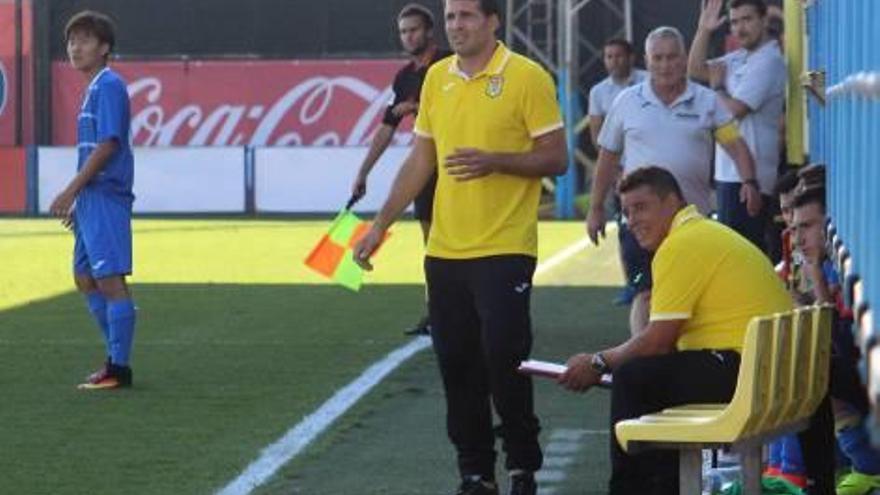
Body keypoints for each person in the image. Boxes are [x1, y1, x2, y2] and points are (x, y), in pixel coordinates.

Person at [353, 0, 567, 493]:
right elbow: (420, 161)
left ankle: (521, 465)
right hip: (445, 251)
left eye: (467, 16)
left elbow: (555, 157)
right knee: (457, 365)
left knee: (504, 357)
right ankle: (475, 472)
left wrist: (495, 160)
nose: (457, 25)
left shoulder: (526, 75)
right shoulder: (436, 79)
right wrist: (378, 226)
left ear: (493, 21)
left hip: (505, 245)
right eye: (450, 17)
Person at [560, 166, 794, 494]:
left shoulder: (681, 244)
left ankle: (631, 489)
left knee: (633, 377)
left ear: (672, 203)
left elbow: (658, 341)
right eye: (626, 212)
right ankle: (662, 485)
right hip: (769, 373)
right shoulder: (700, 233)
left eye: (641, 207)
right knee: (648, 375)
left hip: (749, 375)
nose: (632, 220)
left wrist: (598, 362)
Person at [585, 26, 761, 336]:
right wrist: (596, 207)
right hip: (641, 221)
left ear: (684, 59)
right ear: (647, 61)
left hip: (692, 223)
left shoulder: (707, 101)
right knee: (646, 293)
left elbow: (736, 145)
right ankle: (642, 366)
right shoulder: (627, 101)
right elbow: (608, 156)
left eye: (673, 57)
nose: (666, 65)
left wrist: (749, 181)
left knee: (694, 298)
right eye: (659, 58)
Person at [349, 4, 452, 336]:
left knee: (462, 242)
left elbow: (460, 109)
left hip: (457, 165)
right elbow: (386, 126)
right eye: (403, 31)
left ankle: (465, 313)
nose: (408, 36)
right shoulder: (404, 76)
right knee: (431, 244)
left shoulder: (449, 64)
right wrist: (363, 172)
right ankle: (437, 313)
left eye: (414, 30)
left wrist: (417, 107)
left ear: (429, 32)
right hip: (426, 167)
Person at [49, 10, 136, 390]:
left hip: (105, 194)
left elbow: (108, 144)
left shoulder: (109, 85)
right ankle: (114, 353)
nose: (74, 47)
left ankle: (118, 368)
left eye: (84, 40)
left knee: (108, 279)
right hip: (91, 198)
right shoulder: (93, 88)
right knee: (84, 277)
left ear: (104, 48)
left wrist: (72, 189)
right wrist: (79, 199)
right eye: (71, 41)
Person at [791, 185, 880, 495]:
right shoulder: (829, 267)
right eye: (794, 228)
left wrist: (814, 273)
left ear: (831, 222)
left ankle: (866, 468)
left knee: (811, 372)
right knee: (798, 368)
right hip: (864, 377)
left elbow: (842, 342)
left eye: (806, 226)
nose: (799, 237)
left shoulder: (853, 263)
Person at [689, 0, 786, 252]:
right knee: (732, 253)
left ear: (764, 20)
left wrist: (718, 87)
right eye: (734, 22)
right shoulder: (739, 58)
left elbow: (733, 112)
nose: (740, 28)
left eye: (747, 19)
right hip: (729, 175)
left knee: (742, 255)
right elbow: (694, 69)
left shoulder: (770, 61)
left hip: (749, 180)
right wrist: (704, 30)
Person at [586, 38, 647, 307]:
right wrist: (615, 169)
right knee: (626, 228)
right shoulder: (599, 92)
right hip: (621, 171)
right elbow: (598, 135)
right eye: (609, 56)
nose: (614, 61)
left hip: (648, 167)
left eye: (618, 56)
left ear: (631, 57)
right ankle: (632, 284)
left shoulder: (647, 82)